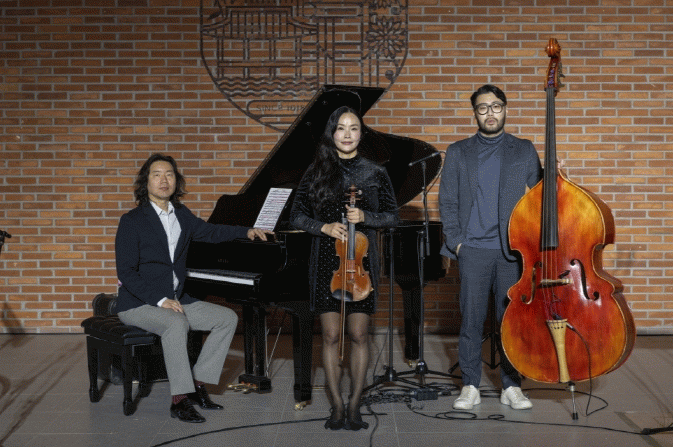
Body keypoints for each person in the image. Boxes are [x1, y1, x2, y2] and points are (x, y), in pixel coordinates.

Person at [115, 153, 271, 423]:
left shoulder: (182, 215)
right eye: (157, 175)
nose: (164, 180)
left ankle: (198, 384)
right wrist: (161, 300)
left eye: (169, 174)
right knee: (176, 323)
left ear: (176, 181)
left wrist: (245, 231)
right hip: (138, 304)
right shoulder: (132, 221)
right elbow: (126, 272)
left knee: (226, 318)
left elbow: (211, 232)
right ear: (145, 182)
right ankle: (179, 400)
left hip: (176, 299)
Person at [290, 106, 398, 430]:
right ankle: (336, 404)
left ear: (361, 134)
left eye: (354, 128)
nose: (347, 134)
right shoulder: (316, 170)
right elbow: (296, 214)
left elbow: (392, 216)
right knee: (330, 335)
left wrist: (366, 217)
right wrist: (323, 227)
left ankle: (354, 404)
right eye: (341, 128)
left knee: (359, 334)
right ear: (332, 133)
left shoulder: (375, 172)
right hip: (327, 261)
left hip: (361, 263)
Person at [438, 84, 543, 411]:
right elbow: (447, 200)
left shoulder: (523, 149)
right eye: (483, 107)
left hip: (512, 252)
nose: (490, 113)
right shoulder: (458, 151)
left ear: (505, 109)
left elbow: (540, 198)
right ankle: (470, 384)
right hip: (472, 250)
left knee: (510, 322)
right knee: (471, 321)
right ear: (475, 113)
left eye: (496, 106)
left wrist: (556, 178)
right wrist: (457, 243)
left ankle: (511, 386)